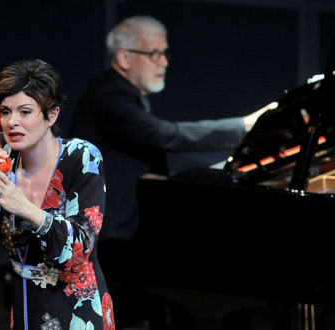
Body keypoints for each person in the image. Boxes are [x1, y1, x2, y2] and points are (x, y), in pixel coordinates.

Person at [68, 15, 276, 329]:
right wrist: (246, 125)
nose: (163, 62)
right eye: (154, 54)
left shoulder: (118, 92)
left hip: (125, 215)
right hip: (109, 231)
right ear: (124, 58)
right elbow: (168, 135)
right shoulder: (109, 96)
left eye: (165, 53)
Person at [0, 59, 115, 330]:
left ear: (51, 115)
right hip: (25, 306)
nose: (12, 122)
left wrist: (25, 208)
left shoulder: (81, 157)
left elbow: (79, 249)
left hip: (76, 309)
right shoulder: (5, 161)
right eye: (5, 112)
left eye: (25, 111)